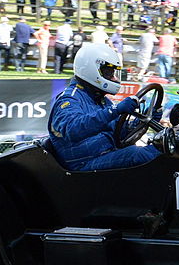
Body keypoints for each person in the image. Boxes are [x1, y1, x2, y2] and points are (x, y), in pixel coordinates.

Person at [48, 43, 161, 171]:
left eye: (113, 73)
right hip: (82, 165)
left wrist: (143, 121)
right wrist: (114, 110)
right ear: (91, 69)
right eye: (108, 73)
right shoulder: (69, 99)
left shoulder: (101, 100)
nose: (114, 78)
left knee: (161, 152)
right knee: (140, 155)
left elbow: (118, 133)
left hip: (105, 154)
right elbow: (73, 130)